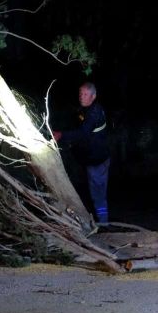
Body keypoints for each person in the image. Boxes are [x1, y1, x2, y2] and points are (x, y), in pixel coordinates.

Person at [53, 82, 110, 223]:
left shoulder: (94, 112)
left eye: (85, 94)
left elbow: (84, 132)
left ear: (93, 96)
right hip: (93, 158)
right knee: (94, 191)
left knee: (98, 193)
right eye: (80, 94)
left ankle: (104, 223)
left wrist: (61, 135)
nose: (81, 97)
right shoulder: (89, 109)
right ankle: (101, 220)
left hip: (97, 160)